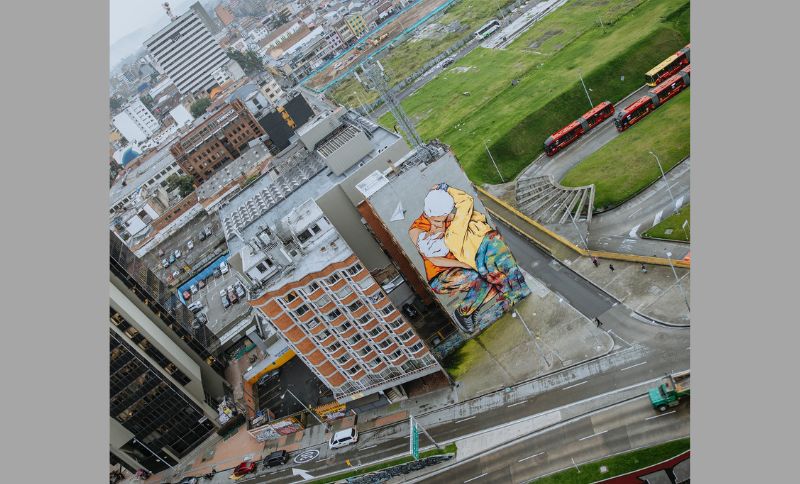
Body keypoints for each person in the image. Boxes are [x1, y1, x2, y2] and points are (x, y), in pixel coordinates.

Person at [409, 183, 530, 332]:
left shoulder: (443, 215)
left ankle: (471, 309)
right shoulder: (416, 229)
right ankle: (463, 313)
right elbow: (434, 259)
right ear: (428, 215)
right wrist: (465, 265)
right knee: (481, 281)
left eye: (443, 220)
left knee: (491, 281)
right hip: (440, 275)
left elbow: (467, 216)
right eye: (437, 222)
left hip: (462, 264)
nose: (440, 225)